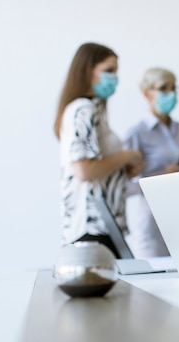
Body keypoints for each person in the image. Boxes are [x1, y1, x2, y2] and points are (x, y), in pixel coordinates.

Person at [54, 42, 144, 256]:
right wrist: (127, 156)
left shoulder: (92, 110)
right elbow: (85, 171)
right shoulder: (83, 110)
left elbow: (96, 166)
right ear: (87, 71)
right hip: (92, 225)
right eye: (108, 71)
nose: (114, 78)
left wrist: (121, 169)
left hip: (105, 226)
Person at [123, 67, 179, 258]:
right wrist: (162, 178)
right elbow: (123, 187)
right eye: (164, 88)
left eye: (174, 88)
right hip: (153, 225)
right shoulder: (136, 134)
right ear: (147, 93)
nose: (170, 94)